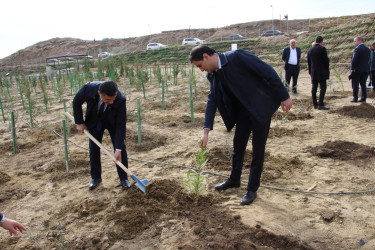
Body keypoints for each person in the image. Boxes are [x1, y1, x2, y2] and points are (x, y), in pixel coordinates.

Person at [189, 46, 292, 206]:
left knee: (258, 149)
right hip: (243, 112)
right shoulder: (213, 75)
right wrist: (206, 131)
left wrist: (284, 96)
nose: (201, 70)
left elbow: (267, 71)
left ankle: (252, 189)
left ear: (206, 56)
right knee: (238, 145)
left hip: (260, 108)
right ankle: (234, 179)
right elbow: (212, 98)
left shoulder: (237, 57)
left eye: (199, 65)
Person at [73, 81, 131, 190]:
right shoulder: (88, 89)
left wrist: (118, 148)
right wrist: (79, 122)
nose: (112, 101)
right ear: (100, 93)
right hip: (94, 120)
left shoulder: (120, 99)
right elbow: (76, 101)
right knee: (94, 148)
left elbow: (120, 126)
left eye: (113, 98)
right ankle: (96, 178)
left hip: (112, 121)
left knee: (121, 148)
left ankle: (124, 178)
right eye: (108, 99)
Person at [307, 36, 330, 110]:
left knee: (314, 88)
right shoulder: (322, 49)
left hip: (314, 72)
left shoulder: (310, 50)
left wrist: (310, 72)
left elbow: (309, 63)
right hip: (321, 72)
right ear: (321, 42)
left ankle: (315, 104)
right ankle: (320, 103)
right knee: (323, 88)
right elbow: (326, 60)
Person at [349, 36, 371, 102]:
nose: (354, 43)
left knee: (355, 84)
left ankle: (355, 98)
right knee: (363, 84)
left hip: (357, 70)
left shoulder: (357, 49)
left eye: (355, 41)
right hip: (366, 69)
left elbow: (354, 59)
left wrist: (352, 68)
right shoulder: (367, 49)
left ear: (360, 41)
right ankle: (363, 98)